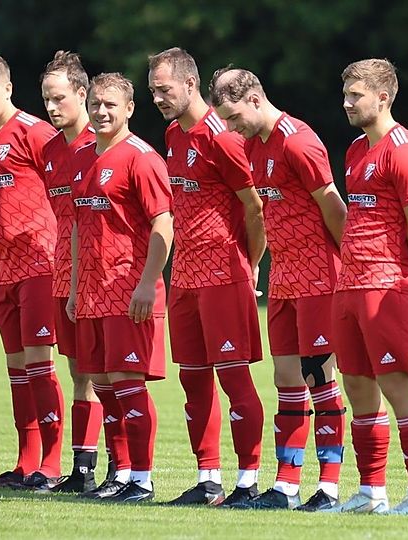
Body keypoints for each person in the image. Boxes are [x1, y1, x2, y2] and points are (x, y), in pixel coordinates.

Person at [210, 67, 349, 511]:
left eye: (233, 117)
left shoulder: (298, 140)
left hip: (319, 279)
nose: (231, 128)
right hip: (284, 279)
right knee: (286, 381)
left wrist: (353, 268)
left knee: (321, 380)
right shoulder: (252, 145)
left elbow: (334, 207)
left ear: (254, 99)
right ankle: (286, 485)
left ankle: (328, 487)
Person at [146, 48, 265, 507]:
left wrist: (250, 262)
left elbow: (254, 208)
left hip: (223, 274)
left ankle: (248, 481)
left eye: (165, 88)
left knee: (234, 380)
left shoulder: (224, 138)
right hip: (185, 278)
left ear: (191, 85)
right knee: (193, 381)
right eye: (154, 90)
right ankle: (208, 478)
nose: (158, 97)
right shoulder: (173, 134)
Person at [320, 58, 408, 516]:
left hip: (387, 286)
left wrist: (407, 268)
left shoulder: (405, 151)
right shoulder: (355, 150)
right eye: (346, 93)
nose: (346, 102)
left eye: (356, 95)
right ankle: (372, 493)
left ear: (383, 98)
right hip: (349, 284)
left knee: (396, 385)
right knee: (357, 386)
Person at [67, 72, 173, 503]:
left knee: (129, 385)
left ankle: (143, 479)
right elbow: (77, 226)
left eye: (111, 104)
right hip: (92, 292)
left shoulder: (142, 158)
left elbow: (163, 222)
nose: (101, 111)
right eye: (95, 103)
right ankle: (122, 472)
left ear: (129, 109)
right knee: (106, 389)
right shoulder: (82, 157)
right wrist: (75, 287)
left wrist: (149, 284)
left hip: (129, 290)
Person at [0, 54, 65, 489]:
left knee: (40, 363)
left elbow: (67, 188)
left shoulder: (35, 132)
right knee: (16, 367)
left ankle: (53, 463)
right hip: (4, 267)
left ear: (8, 88)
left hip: (42, 261)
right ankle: (25, 463)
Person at [38, 50, 103, 493]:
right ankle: (82, 470)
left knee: (108, 372)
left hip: (105, 276)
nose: (51, 107)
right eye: (45, 99)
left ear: (82, 94)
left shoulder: (103, 143)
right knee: (78, 369)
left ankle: (123, 468)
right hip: (64, 272)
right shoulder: (48, 150)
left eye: (59, 98)